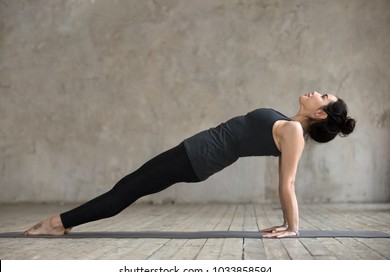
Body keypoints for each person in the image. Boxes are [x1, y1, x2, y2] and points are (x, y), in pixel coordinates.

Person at [25, 92, 356, 238]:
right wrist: (286, 222)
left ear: (320, 114)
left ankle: (59, 223)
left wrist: (293, 226)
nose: (316, 92)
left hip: (199, 157)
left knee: (127, 189)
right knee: (129, 186)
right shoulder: (289, 124)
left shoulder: (295, 131)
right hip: (197, 152)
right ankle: (64, 222)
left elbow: (288, 182)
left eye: (324, 96)